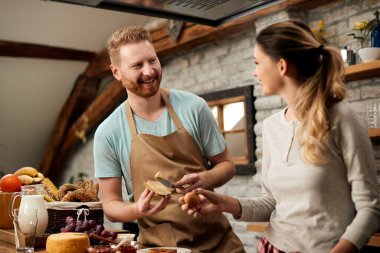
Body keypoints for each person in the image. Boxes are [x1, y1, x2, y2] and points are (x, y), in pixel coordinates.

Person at [181, 20, 380, 253]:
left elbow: (370, 208)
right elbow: (271, 202)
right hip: (271, 247)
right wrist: (222, 203)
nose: (255, 71)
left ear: (282, 66)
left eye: (257, 62)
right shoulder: (271, 126)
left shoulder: (340, 117)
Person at [93, 26, 245, 252]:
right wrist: (137, 209)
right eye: (137, 65)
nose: (149, 71)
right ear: (116, 72)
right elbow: (111, 205)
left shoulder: (194, 107)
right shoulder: (109, 132)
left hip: (220, 243)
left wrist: (205, 178)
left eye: (152, 60)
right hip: (161, 247)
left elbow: (227, 165)